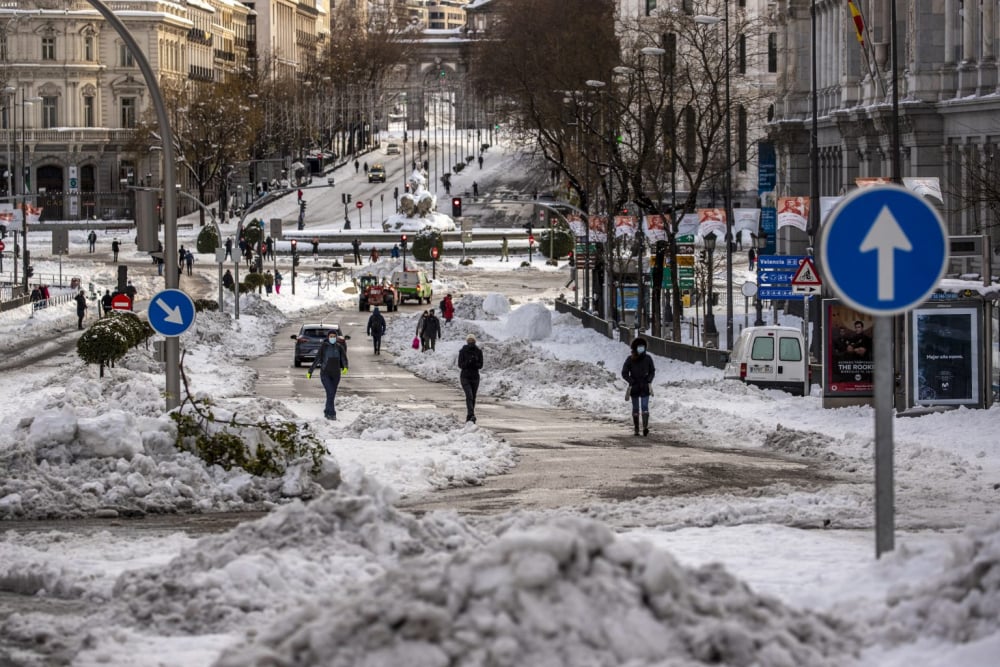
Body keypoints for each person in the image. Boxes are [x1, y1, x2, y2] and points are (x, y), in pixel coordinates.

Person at [307, 331, 349, 421]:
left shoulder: (339, 347)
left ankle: (327, 411)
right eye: (331, 336)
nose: (332, 338)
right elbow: (317, 359)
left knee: (332, 394)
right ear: (328, 337)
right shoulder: (324, 347)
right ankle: (332, 413)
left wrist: (345, 367)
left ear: (336, 337)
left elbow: (344, 358)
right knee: (330, 392)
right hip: (325, 374)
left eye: (334, 336)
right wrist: (310, 371)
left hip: (336, 374)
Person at [622, 337, 656, 436]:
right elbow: (624, 373)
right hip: (635, 387)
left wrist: (649, 380)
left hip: (645, 386)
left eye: (643, 346)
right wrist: (631, 381)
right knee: (635, 408)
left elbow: (652, 371)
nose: (641, 348)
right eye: (639, 347)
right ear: (635, 348)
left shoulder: (648, 358)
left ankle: (645, 427)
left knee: (645, 407)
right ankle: (636, 428)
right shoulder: (630, 359)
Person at [458, 333, 483, 423]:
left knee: (473, 397)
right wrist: (468, 362)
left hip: (475, 377)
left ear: (475, 341)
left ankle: (469, 416)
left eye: (472, 340)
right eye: (469, 340)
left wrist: (474, 362)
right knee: (469, 395)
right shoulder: (462, 351)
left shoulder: (478, 351)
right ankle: (471, 414)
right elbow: (460, 365)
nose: (470, 342)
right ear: (467, 341)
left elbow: (481, 365)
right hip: (465, 377)